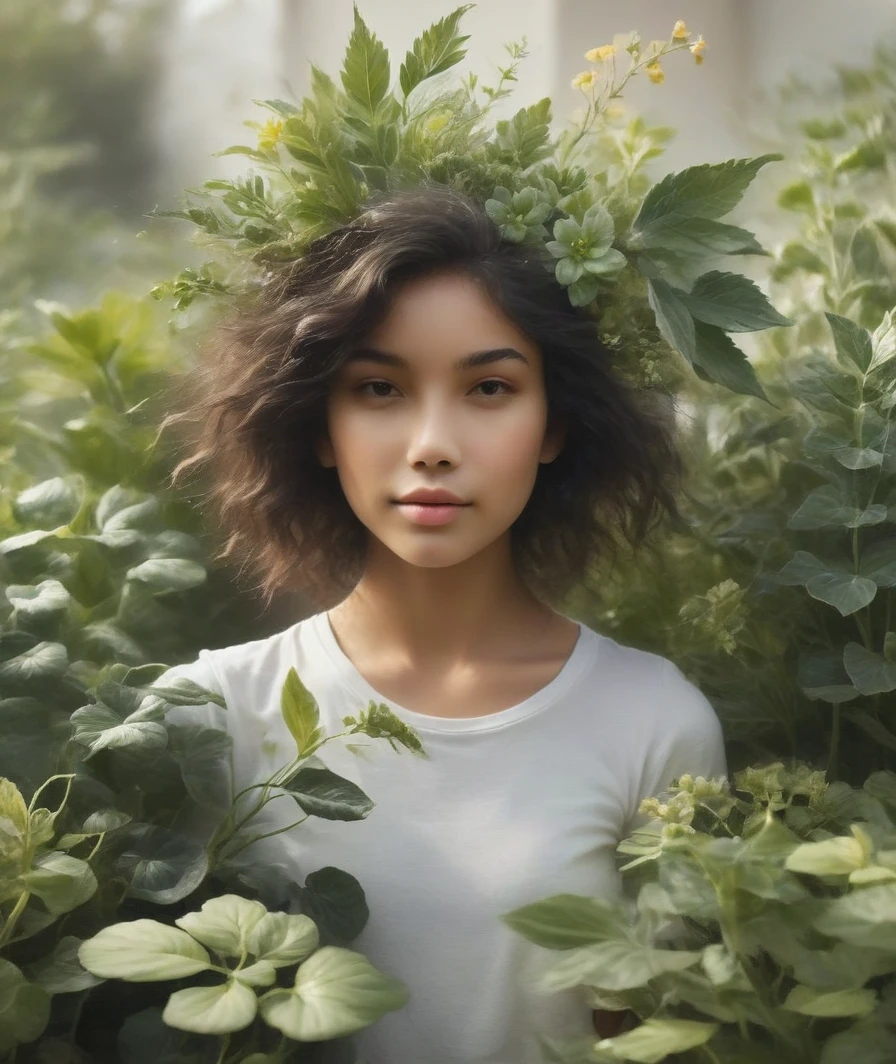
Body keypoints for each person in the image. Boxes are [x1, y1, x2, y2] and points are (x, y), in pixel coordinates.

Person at [158, 186, 727, 1064]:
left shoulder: (653, 722)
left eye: (489, 387)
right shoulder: (209, 713)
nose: (432, 442)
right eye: (380, 388)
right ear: (321, 429)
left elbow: (668, 1032)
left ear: (553, 426)